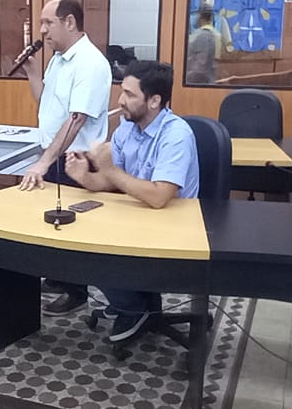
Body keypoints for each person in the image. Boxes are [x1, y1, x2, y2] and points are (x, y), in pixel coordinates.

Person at [63, 62, 198, 342]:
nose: (120, 101)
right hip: (137, 220)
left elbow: (159, 197)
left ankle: (134, 307)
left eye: (129, 94)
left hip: (173, 231)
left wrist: (110, 169)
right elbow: (112, 181)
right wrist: (84, 176)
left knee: (96, 251)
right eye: (121, 91)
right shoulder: (127, 128)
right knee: (77, 241)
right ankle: (131, 301)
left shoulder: (176, 135)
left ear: (154, 101)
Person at [19, 0, 112, 314]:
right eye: (42, 23)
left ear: (69, 22)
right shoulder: (58, 58)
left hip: (77, 159)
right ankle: (60, 278)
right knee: (54, 220)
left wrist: (44, 162)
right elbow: (47, 102)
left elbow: (77, 118)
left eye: (48, 23)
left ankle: (77, 291)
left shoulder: (90, 62)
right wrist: (32, 73)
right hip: (55, 153)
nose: (42, 30)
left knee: (74, 226)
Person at [185, 8, 218, 85]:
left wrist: (186, 77)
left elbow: (201, 67)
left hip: (199, 83)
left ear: (200, 17)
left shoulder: (203, 35)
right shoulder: (214, 33)